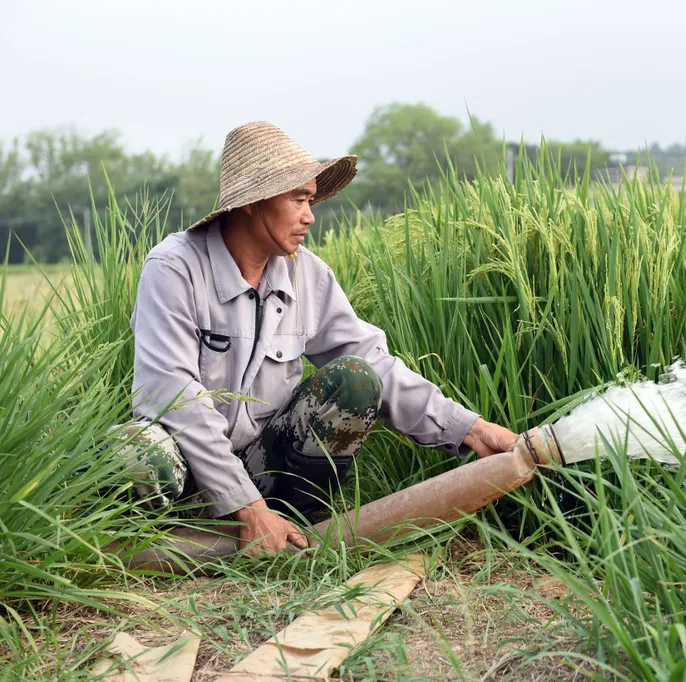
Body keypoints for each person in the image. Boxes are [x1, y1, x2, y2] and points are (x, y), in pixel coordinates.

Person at [123, 121, 517, 554]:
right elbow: (172, 393)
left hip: (267, 472)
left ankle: (285, 526)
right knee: (134, 454)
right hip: (190, 472)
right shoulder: (174, 268)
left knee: (356, 379)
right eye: (299, 200)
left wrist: (473, 431)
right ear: (254, 202)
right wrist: (245, 505)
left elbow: (377, 363)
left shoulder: (307, 274)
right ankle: (174, 537)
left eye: (311, 200)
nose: (310, 215)